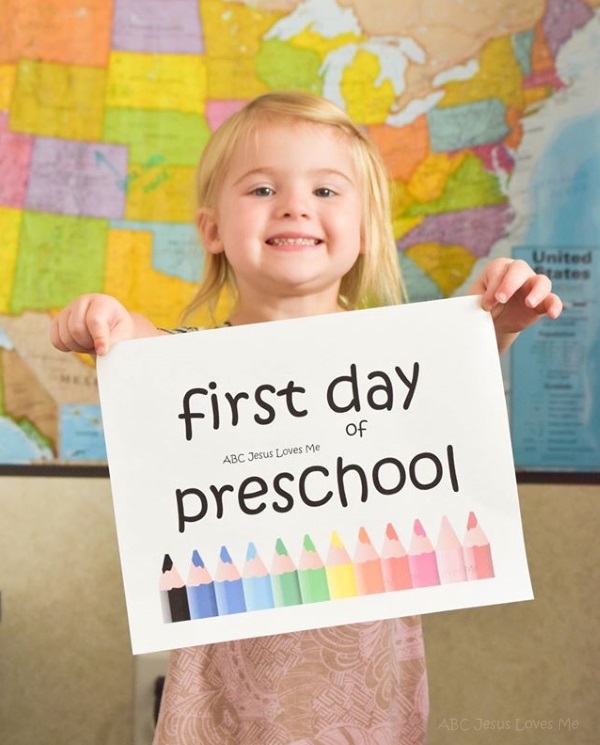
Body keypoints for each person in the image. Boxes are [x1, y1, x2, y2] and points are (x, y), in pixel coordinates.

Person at [50, 91, 562, 745]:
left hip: (368, 706)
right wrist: (102, 318)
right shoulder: (185, 367)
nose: (295, 205)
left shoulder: (398, 360)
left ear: (367, 230)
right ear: (211, 229)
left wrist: (499, 321)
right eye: (263, 187)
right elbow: (133, 341)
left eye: (326, 189)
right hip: (219, 710)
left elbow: (445, 375)